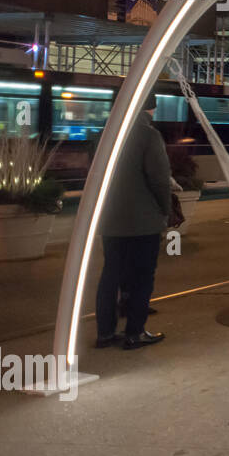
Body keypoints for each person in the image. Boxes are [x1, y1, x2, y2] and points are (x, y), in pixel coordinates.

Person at [95, 91, 169, 350]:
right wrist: (165, 210)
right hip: (142, 221)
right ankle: (134, 333)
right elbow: (159, 180)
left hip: (110, 220)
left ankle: (104, 333)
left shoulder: (105, 134)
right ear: (148, 109)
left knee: (111, 274)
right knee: (142, 277)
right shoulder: (148, 135)